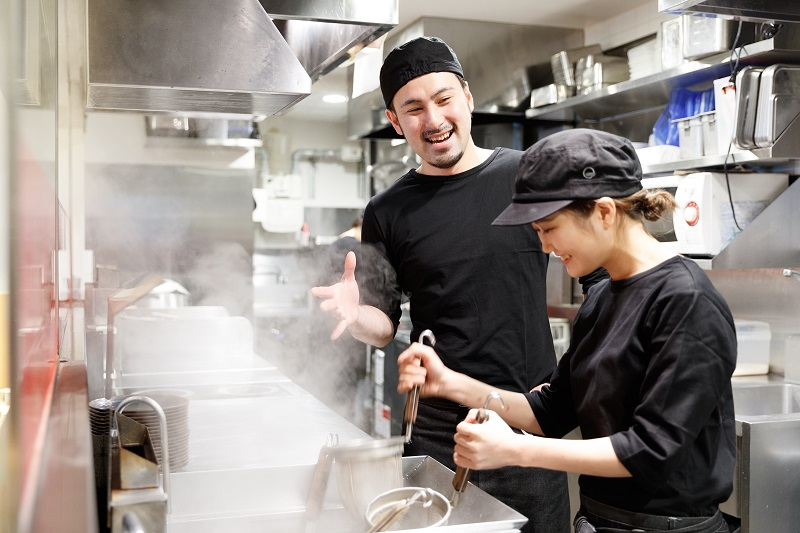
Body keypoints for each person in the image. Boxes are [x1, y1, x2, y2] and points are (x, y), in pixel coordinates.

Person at [396, 129, 738, 533]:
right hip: (599, 521)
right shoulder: (602, 298)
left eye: (549, 228)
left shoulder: (684, 300)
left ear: (604, 212)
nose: (544, 247)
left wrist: (516, 449)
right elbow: (551, 412)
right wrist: (449, 382)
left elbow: (651, 450)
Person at [311, 36, 572, 532]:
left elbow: (599, 274)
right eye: (413, 108)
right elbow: (384, 326)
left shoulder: (527, 177)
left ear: (467, 98)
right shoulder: (387, 211)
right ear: (395, 121)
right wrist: (355, 313)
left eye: (443, 98)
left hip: (525, 426)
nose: (433, 120)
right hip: (437, 440)